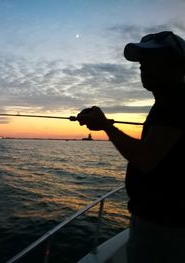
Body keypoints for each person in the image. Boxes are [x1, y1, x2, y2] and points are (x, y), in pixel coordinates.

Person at [77, 31, 185, 262]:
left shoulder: (176, 102)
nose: (143, 66)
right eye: (142, 60)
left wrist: (106, 126)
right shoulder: (169, 102)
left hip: (164, 227)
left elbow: (145, 159)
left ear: (178, 65)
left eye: (153, 59)